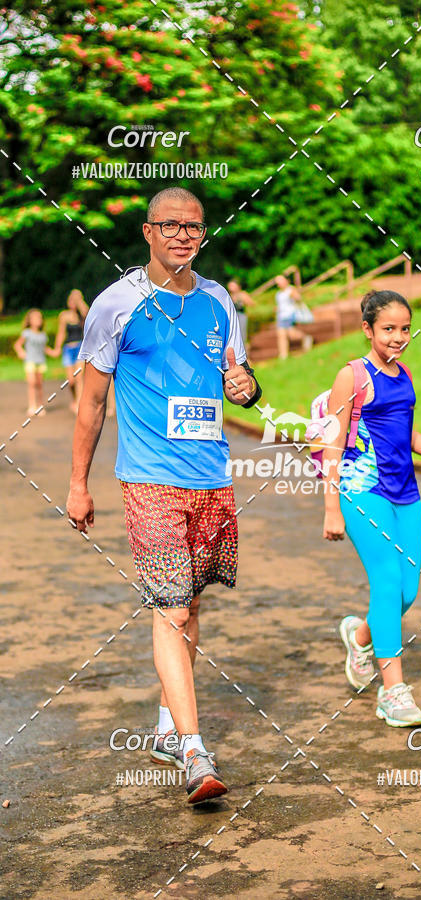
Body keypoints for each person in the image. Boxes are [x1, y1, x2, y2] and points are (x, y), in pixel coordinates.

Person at [66, 186, 263, 806]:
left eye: (193, 227)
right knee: (171, 609)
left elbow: (239, 379)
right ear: (148, 232)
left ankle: (164, 727)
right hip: (148, 477)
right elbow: (92, 402)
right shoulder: (116, 304)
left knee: (191, 604)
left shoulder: (218, 301)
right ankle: (195, 752)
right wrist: (78, 483)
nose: (183, 235)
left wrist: (246, 386)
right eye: (170, 225)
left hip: (211, 475)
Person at [322, 289, 421, 727]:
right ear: (368, 329)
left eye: (405, 329)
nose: (398, 337)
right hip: (362, 490)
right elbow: (332, 443)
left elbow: (408, 435)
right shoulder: (352, 376)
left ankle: (361, 638)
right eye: (388, 329)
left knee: (407, 592)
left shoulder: (405, 373)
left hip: (406, 493)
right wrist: (331, 507)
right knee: (386, 580)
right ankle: (393, 691)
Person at [13, 308, 58, 415]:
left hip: (40, 361)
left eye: (39, 318)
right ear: (30, 320)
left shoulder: (43, 335)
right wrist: (21, 352)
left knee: (39, 384)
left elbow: (44, 348)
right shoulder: (27, 333)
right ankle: (32, 405)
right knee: (31, 383)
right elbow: (17, 345)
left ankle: (40, 406)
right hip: (30, 361)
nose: (38, 320)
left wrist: (53, 352)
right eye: (35, 318)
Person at [52, 289, 89, 413]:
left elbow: (87, 313)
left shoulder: (82, 315)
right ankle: (74, 398)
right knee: (71, 380)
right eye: (72, 299)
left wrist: (79, 301)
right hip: (68, 349)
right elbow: (61, 333)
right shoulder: (64, 315)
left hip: (80, 347)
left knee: (79, 377)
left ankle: (79, 402)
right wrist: (57, 348)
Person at [274, 274, 312, 359]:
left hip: (290, 315)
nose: (278, 283)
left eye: (280, 281)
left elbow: (298, 298)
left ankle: (306, 337)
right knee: (281, 335)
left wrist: (295, 296)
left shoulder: (290, 289)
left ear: (286, 281)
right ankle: (283, 355)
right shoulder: (278, 294)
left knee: (291, 334)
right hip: (281, 316)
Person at [226, 279, 256, 345]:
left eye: (233, 285)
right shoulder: (228, 295)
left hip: (241, 316)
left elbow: (252, 304)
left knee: (242, 335)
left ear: (238, 286)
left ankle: (244, 348)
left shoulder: (242, 294)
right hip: (231, 317)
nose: (231, 287)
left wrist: (244, 299)